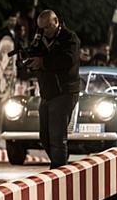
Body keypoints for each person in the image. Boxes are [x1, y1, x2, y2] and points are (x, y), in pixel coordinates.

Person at [26, 9, 80, 168]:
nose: (44, 32)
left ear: (56, 22)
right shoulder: (40, 38)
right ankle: (61, 163)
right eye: (41, 28)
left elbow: (67, 60)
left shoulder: (70, 38)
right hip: (47, 92)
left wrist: (43, 62)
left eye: (47, 27)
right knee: (45, 137)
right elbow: (34, 54)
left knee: (57, 136)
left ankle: (59, 169)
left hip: (64, 91)